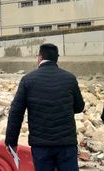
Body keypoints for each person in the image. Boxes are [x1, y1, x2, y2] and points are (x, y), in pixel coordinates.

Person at [5, 43, 85, 171]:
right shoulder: (69, 78)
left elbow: (16, 113)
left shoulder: (28, 80)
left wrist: (11, 142)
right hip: (66, 144)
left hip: (41, 146)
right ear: (56, 59)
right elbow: (79, 107)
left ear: (40, 57)